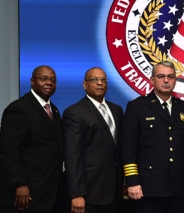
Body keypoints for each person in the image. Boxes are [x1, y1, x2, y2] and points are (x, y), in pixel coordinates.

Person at [121, 61, 184, 213]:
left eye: (170, 77)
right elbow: (128, 148)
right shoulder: (137, 107)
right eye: (161, 76)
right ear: (152, 79)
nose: (166, 81)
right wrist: (132, 182)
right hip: (147, 188)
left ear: (176, 80)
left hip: (179, 187)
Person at [0, 65, 64, 213]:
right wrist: (19, 184)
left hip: (49, 194)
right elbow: (8, 152)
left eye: (53, 80)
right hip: (26, 195)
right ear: (32, 81)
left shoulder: (54, 110)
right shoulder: (19, 109)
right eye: (43, 79)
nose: (49, 83)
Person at [62, 67, 124, 213]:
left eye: (103, 80)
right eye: (94, 80)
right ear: (85, 85)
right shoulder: (74, 112)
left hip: (115, 193)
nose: (100, 83)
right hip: (89, 193)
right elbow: (72, 156)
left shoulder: (117, 110)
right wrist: (77, 193)